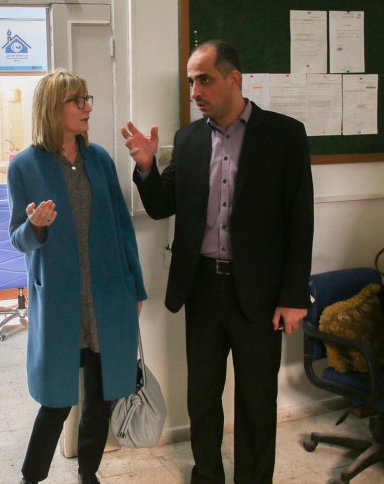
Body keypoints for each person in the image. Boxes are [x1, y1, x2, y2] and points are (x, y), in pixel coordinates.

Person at [122, 39, 314, 483]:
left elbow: (300, 219)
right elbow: (162, 206)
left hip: (260, 293)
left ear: (234, 79)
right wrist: (147, 168)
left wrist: (292, 296)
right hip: (203, 288)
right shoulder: (189, 139)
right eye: (191, 81)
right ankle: (207, 476)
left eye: (204, 80)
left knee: (257, 401)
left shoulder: (283, 134)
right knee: (202, 399)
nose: (195, 91)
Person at [7, 69, 147, 484]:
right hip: (60, 302)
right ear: (54, 108)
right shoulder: (24, 166)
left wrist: (136, 287)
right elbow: (17, 239)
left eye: (88, 99)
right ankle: (31, 478)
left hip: (107, 298)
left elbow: (122, 227)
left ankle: (89, 473)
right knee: (55, 402)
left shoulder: (99, 159)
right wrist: (35, 226)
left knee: (101, 397)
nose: (87, 108)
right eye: (77, 101)